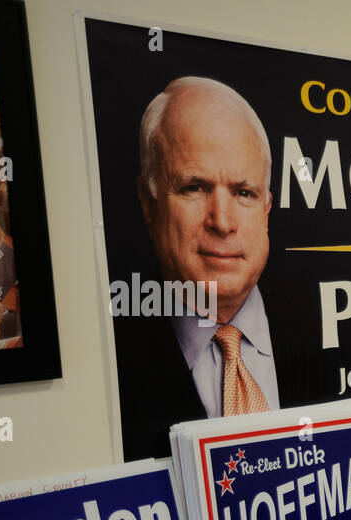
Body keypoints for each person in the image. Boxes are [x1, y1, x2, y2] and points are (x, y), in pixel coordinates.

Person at [114, 76, 285, 460]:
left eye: (244, 192)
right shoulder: (109, 355)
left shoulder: (323, 325)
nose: (222, 222)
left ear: (266, 209)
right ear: (148, 201)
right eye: (194, 188)